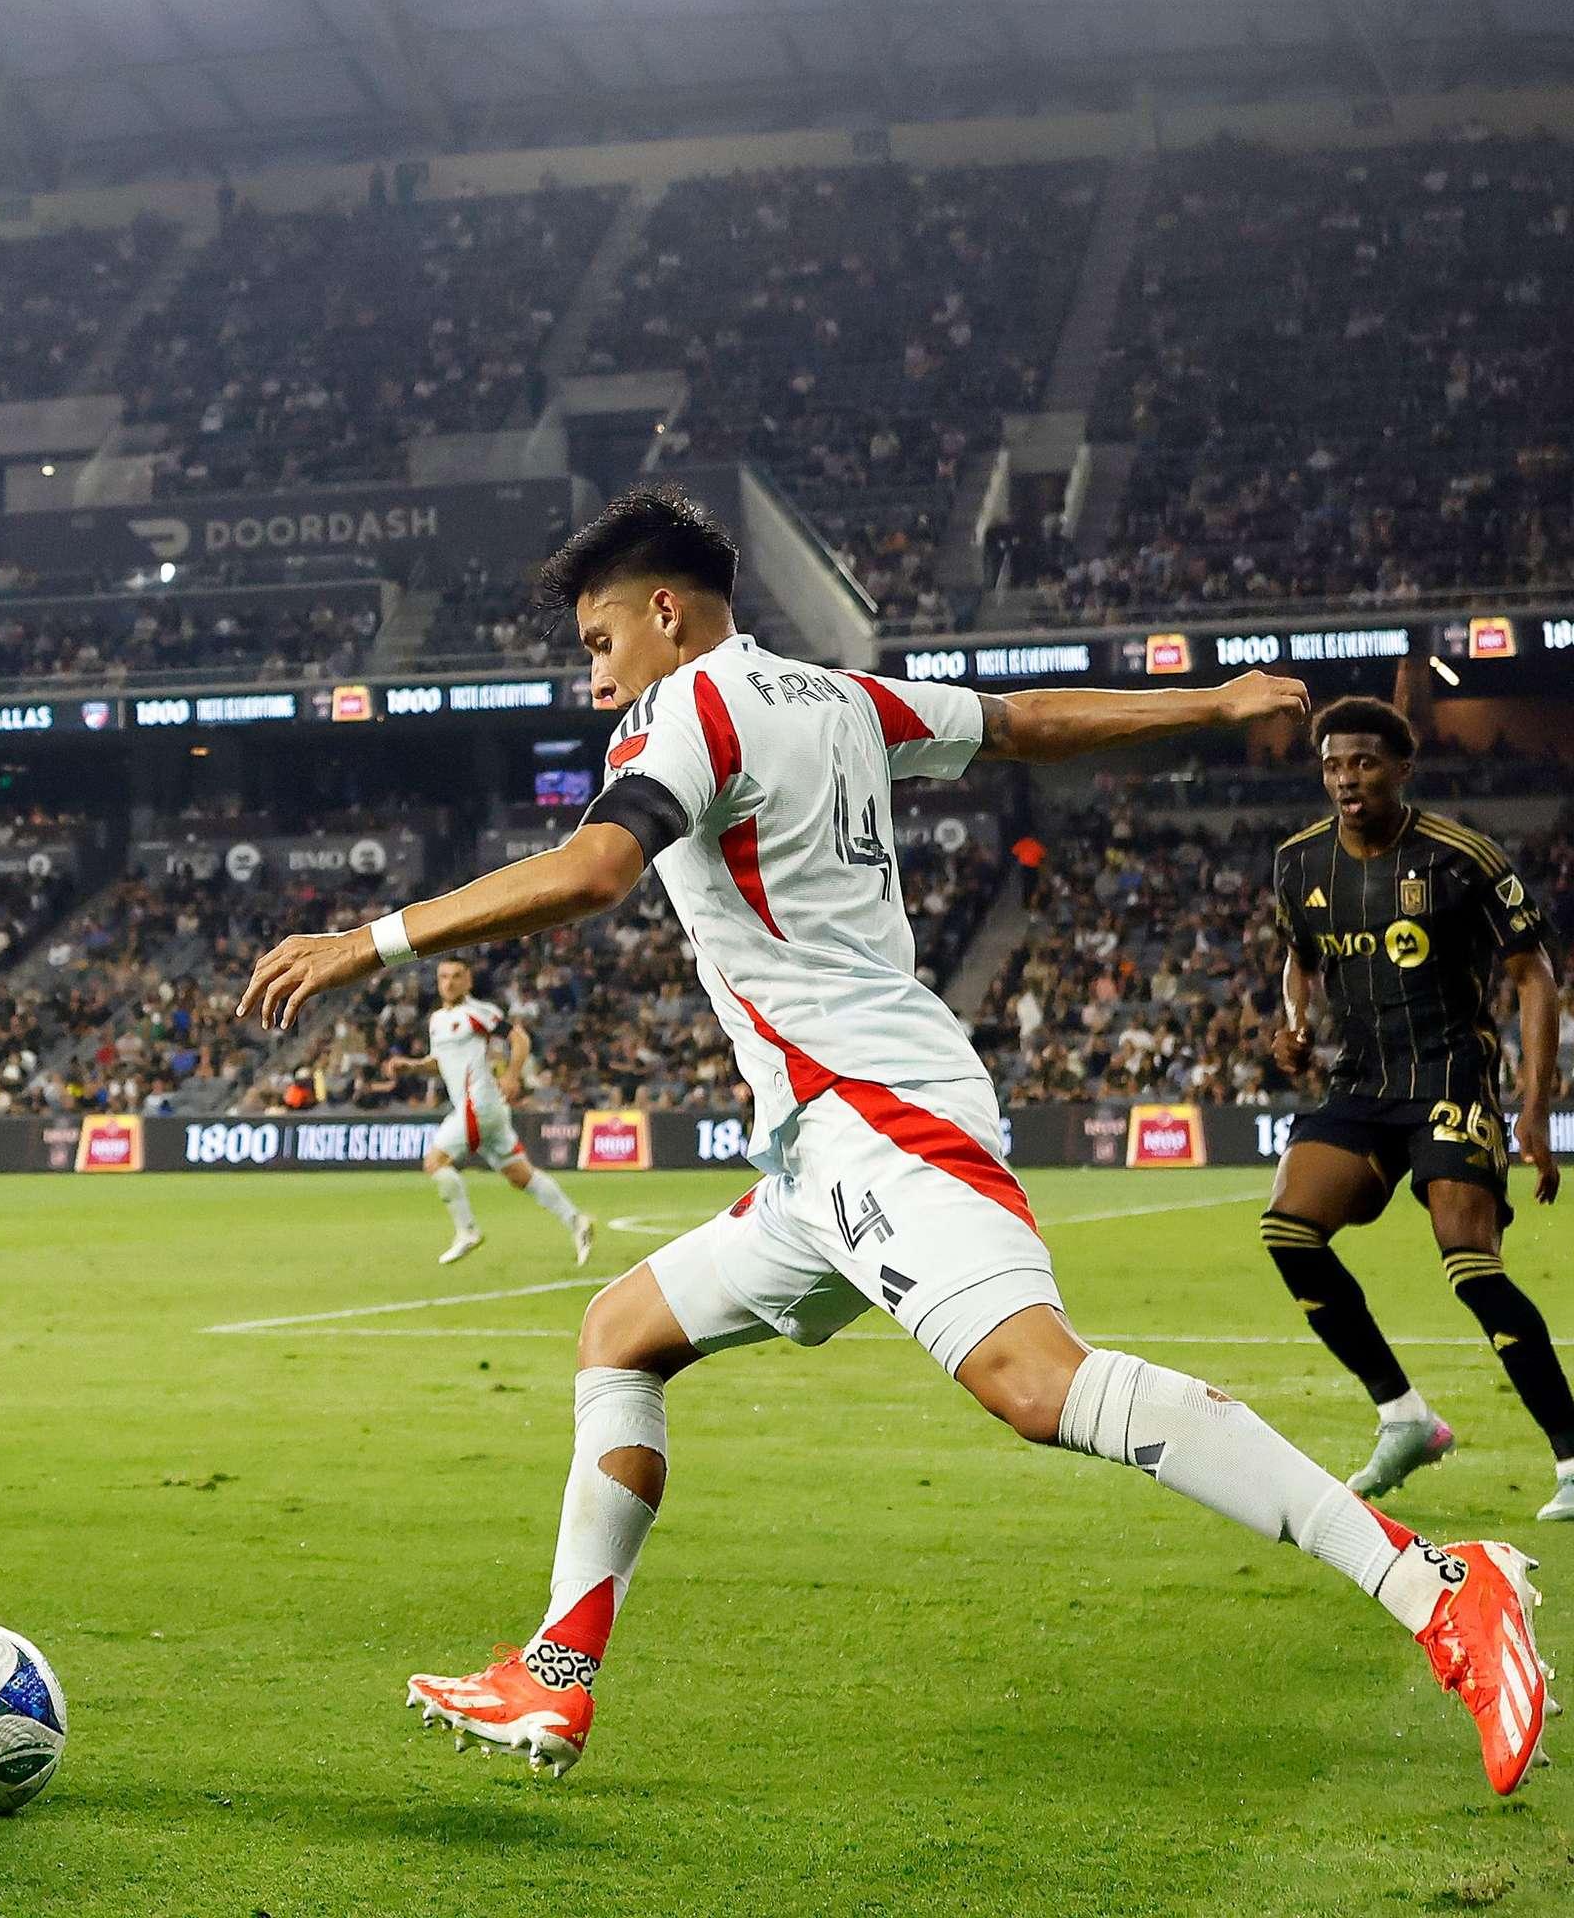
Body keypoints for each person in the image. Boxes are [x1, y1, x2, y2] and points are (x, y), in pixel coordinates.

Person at [240, 486, 1548, 1792]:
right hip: (817, 1154)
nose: (594, 680)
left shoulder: (690, 709)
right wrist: (1208, 704)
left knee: (1039, 1387)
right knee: (619, 1333)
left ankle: (1437, 1583)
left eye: (596, 643)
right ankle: (558, 1671)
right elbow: (1027, 724)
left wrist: (370, 941)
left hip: (877, 1116)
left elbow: (593, 873)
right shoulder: (844, 697)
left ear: (663, 611)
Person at [1257, 696, 1569, 1512]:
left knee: (1468, 1260)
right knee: (1288, 1228)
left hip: (1449, 1074)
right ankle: (1404, 1418)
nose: (1345, 779)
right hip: (1362, 1080)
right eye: (1332, 764)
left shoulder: (1461, 856)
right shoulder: (1298, 862)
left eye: (1362, 763)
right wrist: (1291, 1025)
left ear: (1402, 769)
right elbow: (1299, 956)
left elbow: (1534, 974)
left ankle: (1573, 1456)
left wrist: (1533, 1107)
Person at [415, 958, 594, 1267]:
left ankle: (467, 1231)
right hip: (486, 1110)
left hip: (479, 1103)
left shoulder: (477, 1012)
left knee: (435, 1161)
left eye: (457, 976)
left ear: (468, 981)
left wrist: (513, 1074)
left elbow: (519, 1037)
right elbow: (440, 1060)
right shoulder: (436, 1021)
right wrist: (411, 1066)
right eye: (444, 976)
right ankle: (577, 1221)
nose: (449, 982)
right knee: (518, 1174)